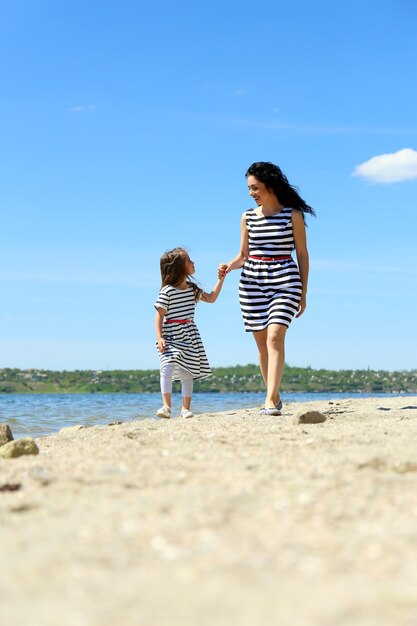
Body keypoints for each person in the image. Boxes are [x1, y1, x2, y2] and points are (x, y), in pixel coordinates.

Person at [218, 161, 315, 416]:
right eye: (250, 189)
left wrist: (303, 292)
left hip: (285, 279)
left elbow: (302, 255)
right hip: (251, 284)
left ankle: (270, 400)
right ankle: (275, 394)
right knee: (262, 346)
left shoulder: (292, 214)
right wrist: (229, 265)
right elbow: (243, 255)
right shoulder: (247, 217)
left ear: (269, 185)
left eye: (255, 187)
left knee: (275, 337)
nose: (251, 193)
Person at [154, 247, 225, 419]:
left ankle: (185, 409)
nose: (193, 263)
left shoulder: (192, 289)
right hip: (170, 335)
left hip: (189, 335)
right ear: (179, 267)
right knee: (167, 366)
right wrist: (159, 337)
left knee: (187, 371)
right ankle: (166, 407)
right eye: (189, 261)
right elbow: (159, 316)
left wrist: (221, 279)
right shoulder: (167, 291)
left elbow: (212, 298)